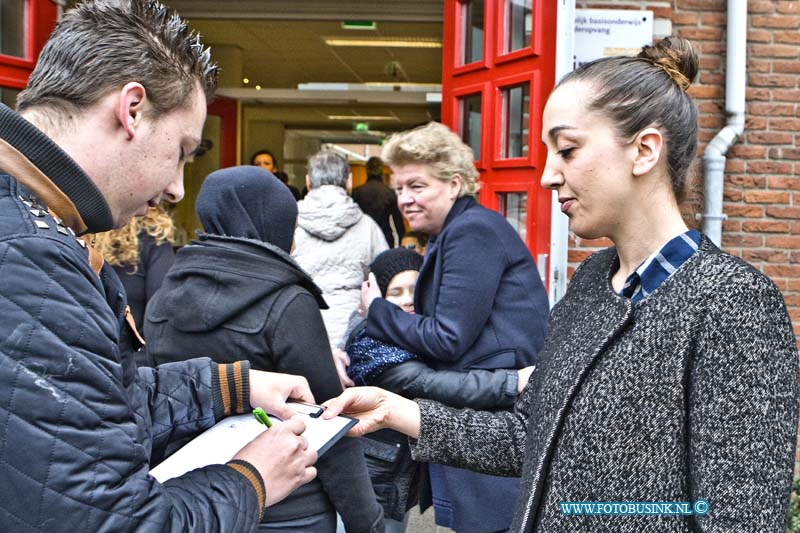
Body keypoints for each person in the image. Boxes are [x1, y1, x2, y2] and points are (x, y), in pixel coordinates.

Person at [325, 37, 800, 532]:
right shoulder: (593, 280)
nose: (549, 176)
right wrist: (398, 410)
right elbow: (529, 435)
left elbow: (736, 519)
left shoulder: (733, 302)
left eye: (567, 150)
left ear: (644, 150)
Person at [0, 1, 318, 530]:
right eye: (181, 150)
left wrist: (227, 387)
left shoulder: (38, 228)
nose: (175, 188)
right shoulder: (30, 256)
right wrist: (252, 478)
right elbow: (119, 522)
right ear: (132, 109)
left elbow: (90, 411)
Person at [145, 166, 383, 533]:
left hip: (198, 499)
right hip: (293, 506)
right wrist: (367, 522)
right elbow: (329, 423)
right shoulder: (287, 302)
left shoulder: (163, 298)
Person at [356, 122, 549, 533]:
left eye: (417, 186)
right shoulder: (456, 232)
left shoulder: (471, 231)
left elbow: (447, 338)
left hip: (495, 420)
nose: (404, 199)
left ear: (454, 184)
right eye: (400, 188)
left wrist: (377, 310)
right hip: (486, 412)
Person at [344, 247, 534, 532]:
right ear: (376, 298)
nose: (408, 300)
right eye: (395, 293)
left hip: (405, 467)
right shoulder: (374, 343)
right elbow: (432, 384)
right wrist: (512, 381)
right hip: (380, 472)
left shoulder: (424, 332)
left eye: (415, 289)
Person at [293, 149, 388, 351]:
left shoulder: (288, 222)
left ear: (308, 182)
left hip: (300, 327)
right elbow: (384, 278)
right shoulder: (367, 225)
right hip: (354, 329)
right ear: (349, 182)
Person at [93, 204, 176, 334]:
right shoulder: (153, 237)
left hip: (84, 345)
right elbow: (163, 307)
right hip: (132, 348)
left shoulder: (75, 234)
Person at [352, 156, 406, 248]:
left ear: (367, 170)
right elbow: (398, 221)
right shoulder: (389, 193)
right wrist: (402, 241)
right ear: (381, 171)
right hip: (384, 237)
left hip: (362, 238)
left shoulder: (356, 192)